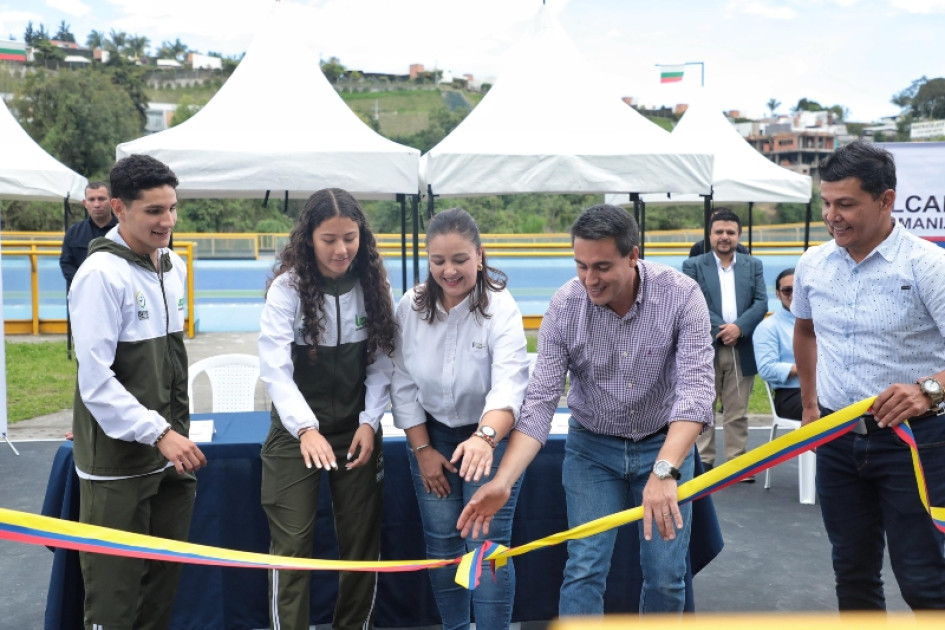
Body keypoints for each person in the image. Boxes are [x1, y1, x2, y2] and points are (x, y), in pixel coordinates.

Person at [457, 204, 715, 616]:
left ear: (634, 256)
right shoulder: (565, 305)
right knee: (585, 566)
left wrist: (665, 470)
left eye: (602, 267)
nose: (589, 280)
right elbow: (540, 401)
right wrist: (504, 481)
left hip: (662, 446)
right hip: (592, 450)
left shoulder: (681, 294)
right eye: (580, 265)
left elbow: (697, 391)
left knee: (666, 575)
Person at [793, 140, 945, 610]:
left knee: (925, 578)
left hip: (916, 443)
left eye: (846, 204)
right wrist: (811, 405)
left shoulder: (928, 266)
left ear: (885, 200)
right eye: (826, 203)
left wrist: (929, 390)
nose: (832, 215)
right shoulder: (812, 265)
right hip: (839, 439)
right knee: (853, 573)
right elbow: (805, 331)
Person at [69, 154, 206, 630]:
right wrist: (159, 431)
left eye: (172, 207)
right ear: (120, 208)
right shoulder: (100, 275)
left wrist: (171, 436)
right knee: (115, 598)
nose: (166, 220)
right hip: (120, 463)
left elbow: (168, 361)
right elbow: (96, 381)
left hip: (168, 456)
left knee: (160, 592)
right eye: (153, 210)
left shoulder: (170, 266)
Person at [258, 188, 396, 630]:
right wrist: (304, 429)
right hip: (295, 434)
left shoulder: (374, 283)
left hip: (356, 432)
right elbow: (275, 371)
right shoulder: (288, 288)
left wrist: (370, 422)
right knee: (293, 547)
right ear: (308, 239)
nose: (341, 250)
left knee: (360, 546)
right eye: (329, 239)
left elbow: (382, 362)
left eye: (350, 238)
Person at [390, 208, 530, 630]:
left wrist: (485, 438)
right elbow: (401, 382)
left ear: (480, 256)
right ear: (427, 260)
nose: (448, 271)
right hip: (432, 435)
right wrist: (423, 450)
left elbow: (509, 385)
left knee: (484, 546)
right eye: (438, 261)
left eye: (459, 260)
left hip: (491, 436)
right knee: (444, 545)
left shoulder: (501, 308)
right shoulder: (410, 307)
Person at [682, 209, 767, 476]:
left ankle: (736, 462)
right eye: (719, 231)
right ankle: (704, 461)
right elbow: (692, 301)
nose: (724, 237)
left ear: (738, 236)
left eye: (730, 232)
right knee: (703, 407)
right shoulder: (693, 266)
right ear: (710, 235)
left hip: (740, 348)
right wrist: (724, 328)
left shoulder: (753, 265)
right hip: (706, 347)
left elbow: (761, 302)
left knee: (737, 409)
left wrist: (739, 328)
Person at [752, 268, 801, 420]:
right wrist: (805, 368)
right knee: (832, 410)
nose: (793, 295)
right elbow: (766, 369)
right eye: (787, 290)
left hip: (826, 391)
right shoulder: (769, 327)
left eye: (798, 289)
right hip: (791, 394)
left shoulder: (821, 321)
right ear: (778, 294)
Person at [60, 181, 118, 290]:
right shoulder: (73, 232)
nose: (96, 204)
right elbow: (66, 264)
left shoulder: (125, 231)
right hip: (81, 295)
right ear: (85, 203)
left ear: (112, 202)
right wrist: (87, 285)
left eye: (101, 199)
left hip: (117, 294)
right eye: (91, 199)